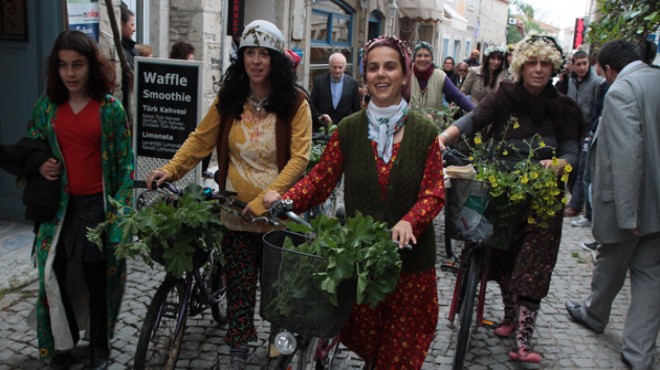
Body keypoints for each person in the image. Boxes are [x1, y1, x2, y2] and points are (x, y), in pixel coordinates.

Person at [263, 35, 445, 369]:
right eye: (373, 67)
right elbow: (320, 180)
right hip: (362, 264)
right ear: (364, 77)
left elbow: (434, 191)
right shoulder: (348, 129)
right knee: (367, 342)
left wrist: (410, 220)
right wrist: (285, 199)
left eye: (390, 66)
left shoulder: (424, 132)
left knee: (399, 356)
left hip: (412, 267)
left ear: (404, 75)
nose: (381, 74)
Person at [146, 20, 312, 370]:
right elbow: (200, 139)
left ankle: (279, 345)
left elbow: (300, 157)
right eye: (249, 53)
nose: (255, 61)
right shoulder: (230, 98)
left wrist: (270, 195)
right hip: (233, 210)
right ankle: (239, 345)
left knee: (276, 289)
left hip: (275, 215)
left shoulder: (295, 103)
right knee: (238, 285)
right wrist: (171, 168)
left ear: (276, 60)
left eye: (263, 54)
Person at [439, 34, 583, 363]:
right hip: (502, 190)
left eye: (545, 63)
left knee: (533, 265)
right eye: (532, 62)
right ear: (520, 65)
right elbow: (473, 119)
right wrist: (443, 137)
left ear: (553, 67)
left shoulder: (562, 108)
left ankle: (522, 340)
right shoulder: (503, 98)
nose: (538, 69)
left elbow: (572, 151)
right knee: (500, 255)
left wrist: (560, 163)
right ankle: (507, 317)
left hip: (543, 197)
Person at [27, 30, 134, 370]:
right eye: (63, 66)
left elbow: (124, 165)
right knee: (54, 277)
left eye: (77, 65)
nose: (70, 73)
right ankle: (64, 345)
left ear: (92, 66)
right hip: (57, 209)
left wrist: (120, 216)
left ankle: (100, 347)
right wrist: (39, 164)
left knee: (96, 280)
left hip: (96, 208)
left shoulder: (110, 110)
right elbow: (31, 147)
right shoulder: (47, 107)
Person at [564, 39, 660, 370]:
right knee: (650, 276)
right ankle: (639, 354)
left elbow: (625, 155)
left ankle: (593, 313)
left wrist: (627, 212)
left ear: (608, 69)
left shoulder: (621, 91)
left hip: (630, 205)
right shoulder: (657, 79)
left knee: (609, 262)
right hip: (658, 205)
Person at [563, 50, 603, 220]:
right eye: (578, 64)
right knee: (571, 166)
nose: (581, 67)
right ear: (573, 65)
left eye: (584, 63)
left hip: (587, 129)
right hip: (571, 128)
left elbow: (596, 108)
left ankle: (576, 204)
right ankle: (575, 199)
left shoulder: (596, 82)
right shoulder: (571, 80)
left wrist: (592, 130)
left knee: (582, 167)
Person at [409, 42, 474, 112]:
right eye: (419, 55)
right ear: (414, 58)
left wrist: (477, 113)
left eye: (426, 56)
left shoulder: (440, 76)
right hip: (408, 122)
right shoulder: (406, 74)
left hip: (433, 122)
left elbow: (458, 97)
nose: (422, 59)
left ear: (431, 59)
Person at [309, 52, 361, 130]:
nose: (337, 70)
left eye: (340, 67)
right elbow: (311, 106)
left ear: (345, 67)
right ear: (329, 66)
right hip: (322, 131)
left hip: (344, 130)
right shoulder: (319, 82)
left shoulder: (353, 84)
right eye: (334, 67)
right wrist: (319, 117)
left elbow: (356, 111)